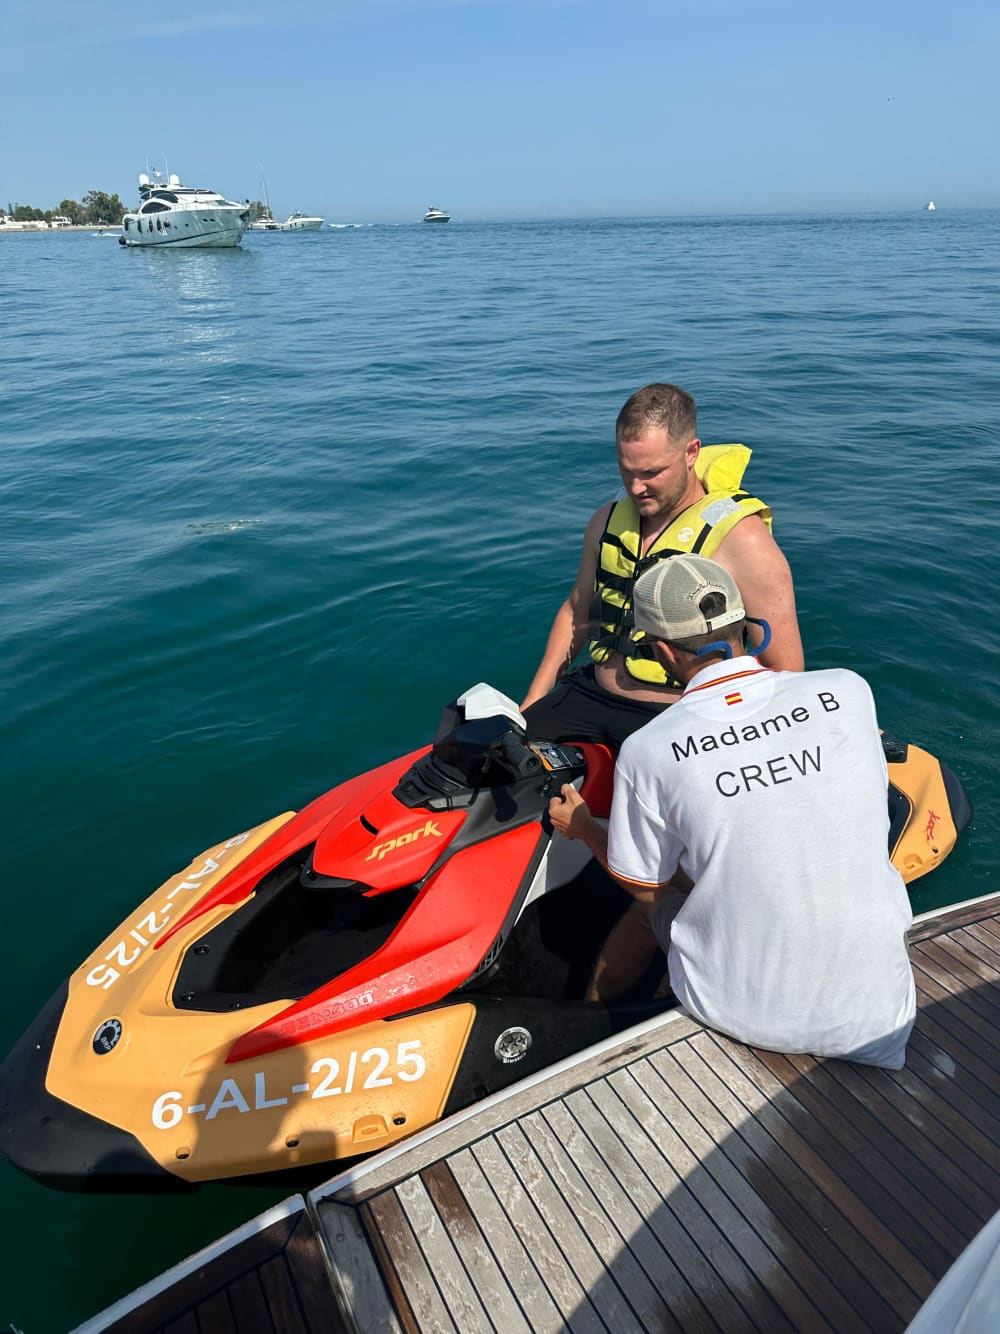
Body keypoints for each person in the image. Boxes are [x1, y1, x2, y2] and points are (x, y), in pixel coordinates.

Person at [548, 553, 915, 1069]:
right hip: (884, 1015)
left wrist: (584, 828)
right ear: (747, 625)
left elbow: (643, 885)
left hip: (750, 1017)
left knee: (648, 908)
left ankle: (590, 1030)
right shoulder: (848, 689)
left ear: (661, 650)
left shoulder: (650, 749)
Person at [521, 382, 803, 751]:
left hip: (684, 716)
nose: (636, 488)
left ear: (691, 452)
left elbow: (786, 668)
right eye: (627, 471)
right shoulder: (606, 521)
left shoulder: (743, 539)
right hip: (594, 695)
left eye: (651, 473)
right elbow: (577, 612)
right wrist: (534, 701)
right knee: (490, 755)